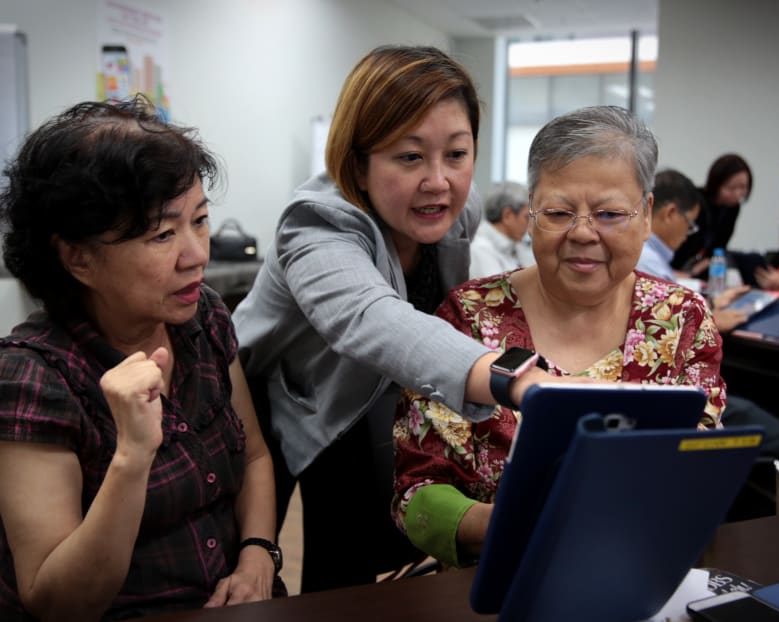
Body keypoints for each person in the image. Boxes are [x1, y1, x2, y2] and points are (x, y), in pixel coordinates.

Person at [231, 45, 552, 593]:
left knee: (355, 551)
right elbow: (375, 318)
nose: (439, 182)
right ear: (358, 162)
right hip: (273, 395)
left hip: (365, 390)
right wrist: (515, 376)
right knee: (252, 563)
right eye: (409, 157)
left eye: (457, 153)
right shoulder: (317, 224)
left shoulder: (460, 204)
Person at [392, 106, 727, 568]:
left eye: (609, 213)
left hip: (637, 570)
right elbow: (416, 494)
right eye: (558, 212)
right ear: (530, 212)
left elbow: (700, 466)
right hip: (492, 577)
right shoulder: (468, 318)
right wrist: (505, 525)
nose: (583, 233)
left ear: (647, 215)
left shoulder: (680, 320)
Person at [0, 96, 282, 621]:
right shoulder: (33, 376)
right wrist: (131, 456)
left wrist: (257, 555)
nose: (197, 252)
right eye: (162, 235)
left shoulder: (204, 320)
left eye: (200, 221)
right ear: (78, 257)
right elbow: (53, 600)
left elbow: (255, 457)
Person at [637, 169, 779, 515]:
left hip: (674, 391)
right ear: (669, 213)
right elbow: (662, 336)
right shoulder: (648, 260)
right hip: (676, 396)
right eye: (690, 225)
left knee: (771, 408)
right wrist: (709, 318)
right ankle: (732, 523)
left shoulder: (648, 258)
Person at [671, 153, 753, 277]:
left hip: (698, 270)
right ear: (716, 184)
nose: (737, 194)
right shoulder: (695, 202)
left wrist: (694, 272)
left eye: (743, 187)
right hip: (674, 265)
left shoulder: (733, 209)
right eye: (731, 188)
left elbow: (718, 249)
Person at [469, 181, 534, 278]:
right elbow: (498, 292)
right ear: (507, 216)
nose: (530, 226)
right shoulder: (479, 249)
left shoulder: (516, 245)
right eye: (527, 217)